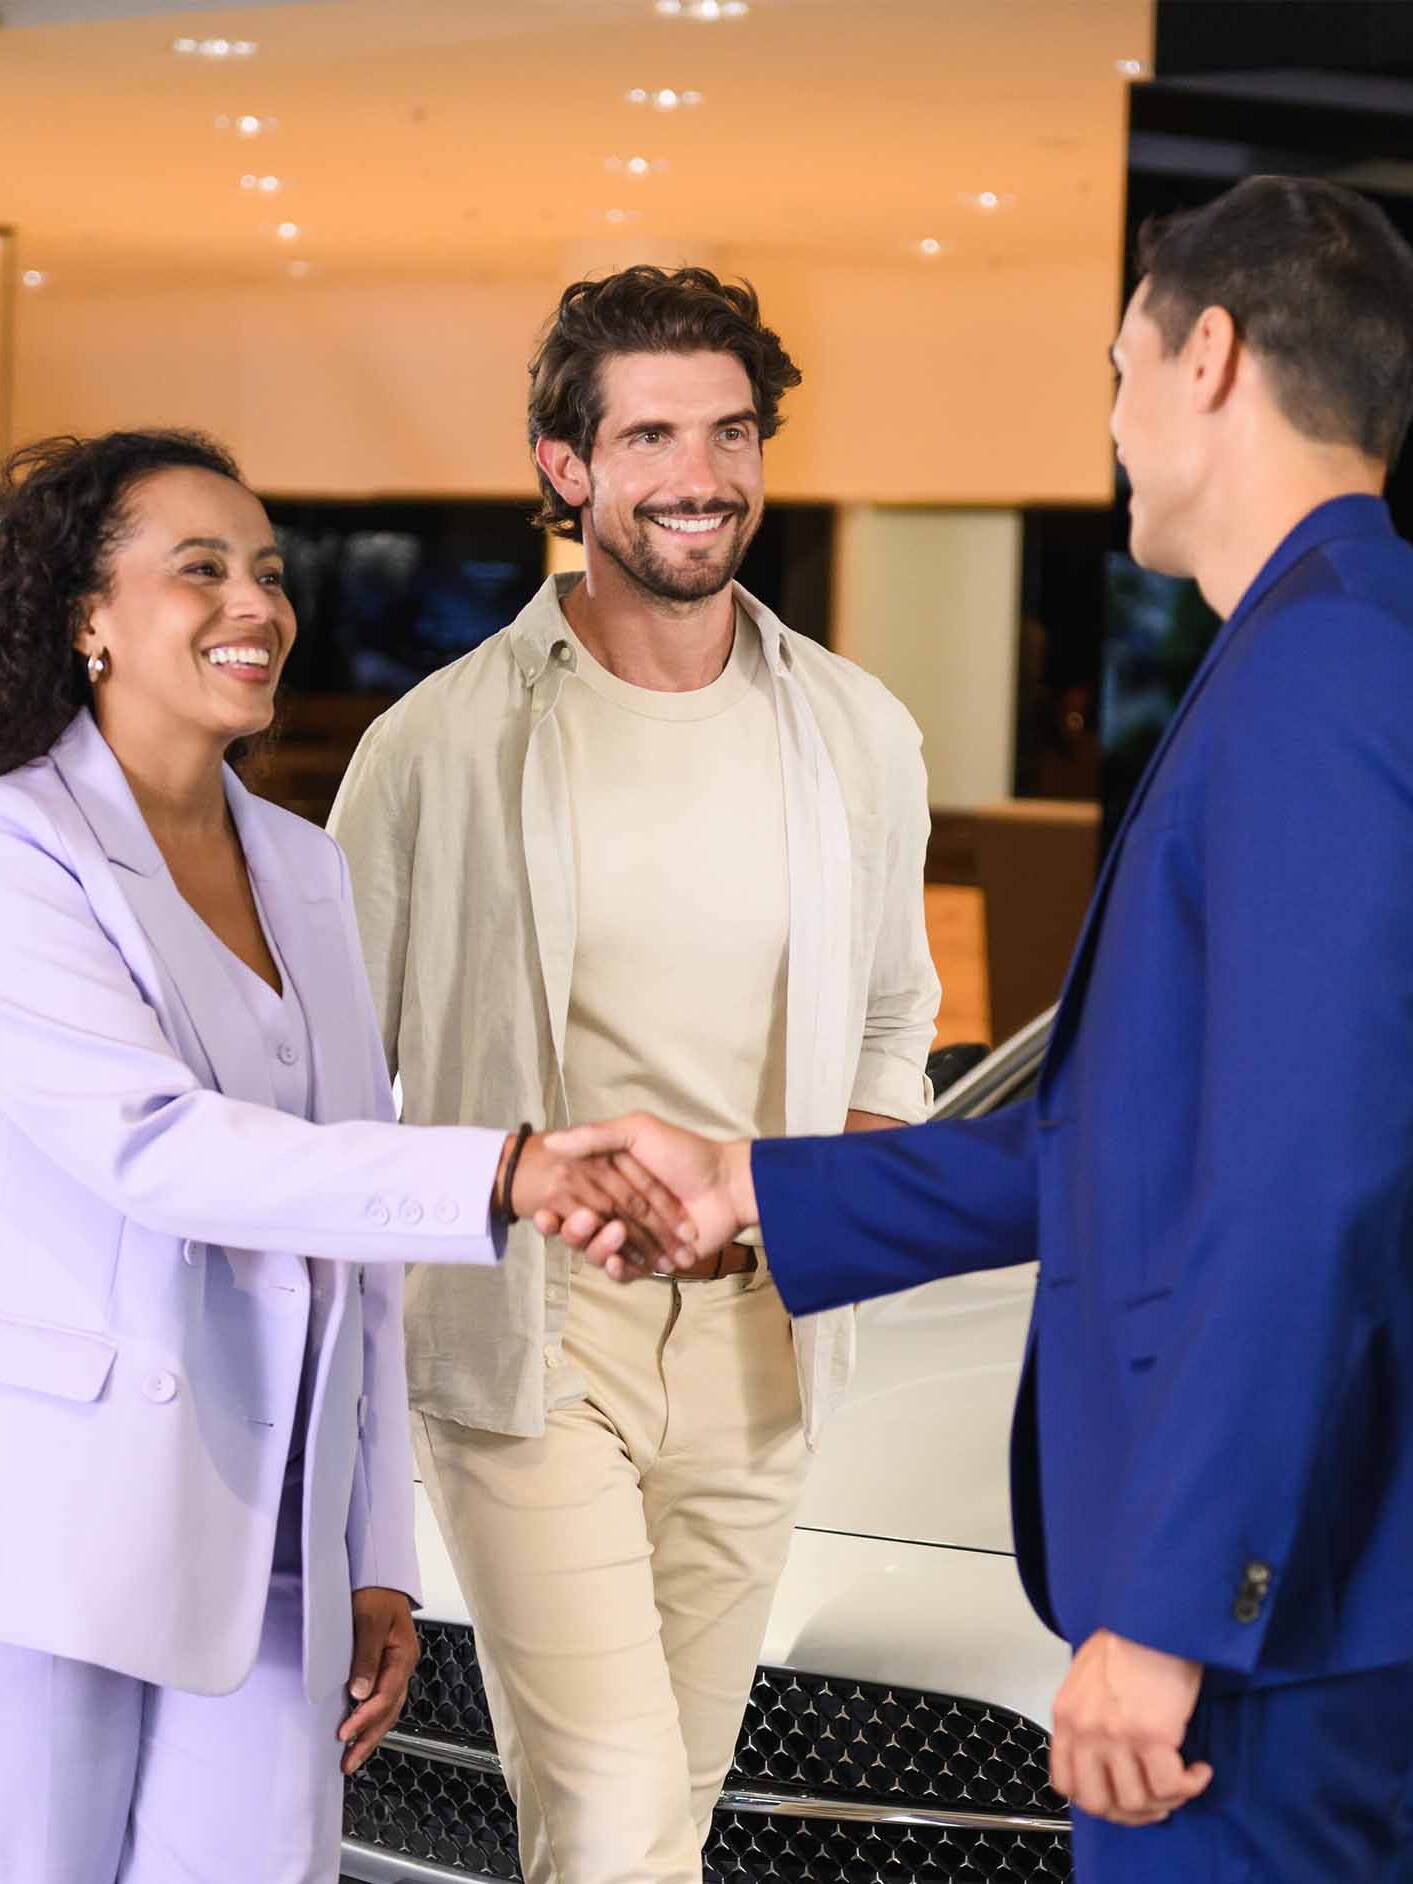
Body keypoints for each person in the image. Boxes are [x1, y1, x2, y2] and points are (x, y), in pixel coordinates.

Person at [551, 177, 1413, 1882]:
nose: (1104, 426)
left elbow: (1308, 1180)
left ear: (1210, 358)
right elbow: (1120, 1143)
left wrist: (1172, 1611)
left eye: (1115, 371)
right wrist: (748, 1188)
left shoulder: (1327, 676)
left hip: (1271, 1648)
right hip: (1290, 1624)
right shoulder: (1316, 653)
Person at [0, 429, 687, 1884]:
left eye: (266, 569)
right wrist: (501, 1170)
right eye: (202, 571)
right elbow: (158, 1151)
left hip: (279, 1538)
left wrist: (375, 1548)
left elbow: (353, 1226)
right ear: (85, 617)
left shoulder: (301, 863)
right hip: (57, 1530)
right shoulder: (16, 850)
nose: (257, 603)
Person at [328, 265, 939, 1883]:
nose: (701, 473)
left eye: (731, 430)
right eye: (653, 431)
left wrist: (808, 1213)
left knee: (668, 1799)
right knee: (609, 1815)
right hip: (534, 1339)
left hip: (764, 1338)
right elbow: (337, 1082)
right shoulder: (440, 746)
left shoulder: (857, 731)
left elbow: (890, 1029)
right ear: (565, 465)